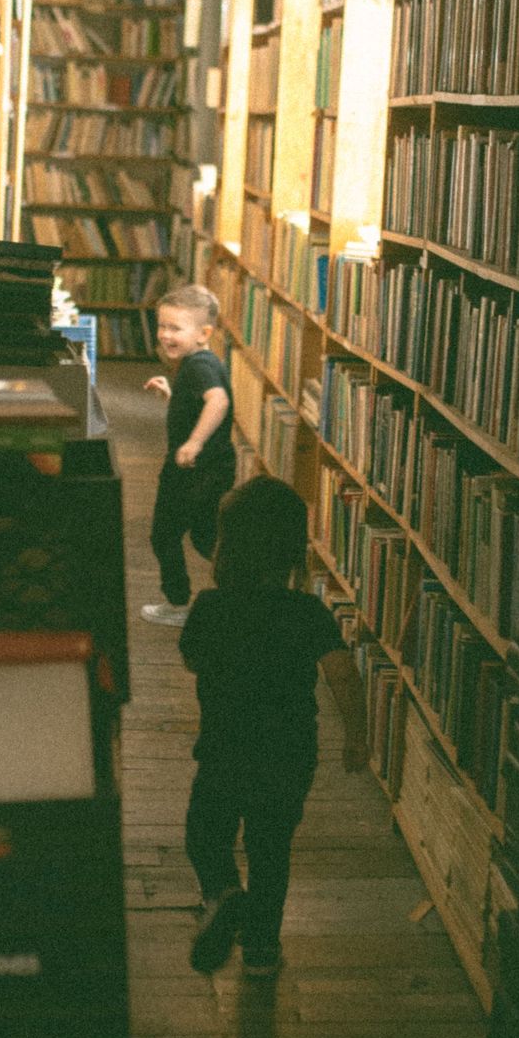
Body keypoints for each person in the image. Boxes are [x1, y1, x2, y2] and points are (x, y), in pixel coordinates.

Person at [179, 476, 371, 979]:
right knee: (270, 851)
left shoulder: (210, 609)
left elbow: (193, 660)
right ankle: (262, 950)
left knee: (205, 834)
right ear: (292, 551)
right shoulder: (308, 613)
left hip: (224, 749)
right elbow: (342, 674)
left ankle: (223, 895)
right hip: (288, 755)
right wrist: (357, 735)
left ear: (224, 548)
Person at [141, 285, 235, 626]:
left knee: (165, 534)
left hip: (194, 469)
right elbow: (201, 404)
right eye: (162, 326)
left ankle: (179, 603)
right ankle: (241, 592)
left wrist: (193, 442)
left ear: (204, 333)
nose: (165, 335)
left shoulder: (198, 367)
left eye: (175, 328)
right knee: (205, 535)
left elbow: (218, 401)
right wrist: (174, 396)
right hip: (211, 468)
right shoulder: (199, 363)